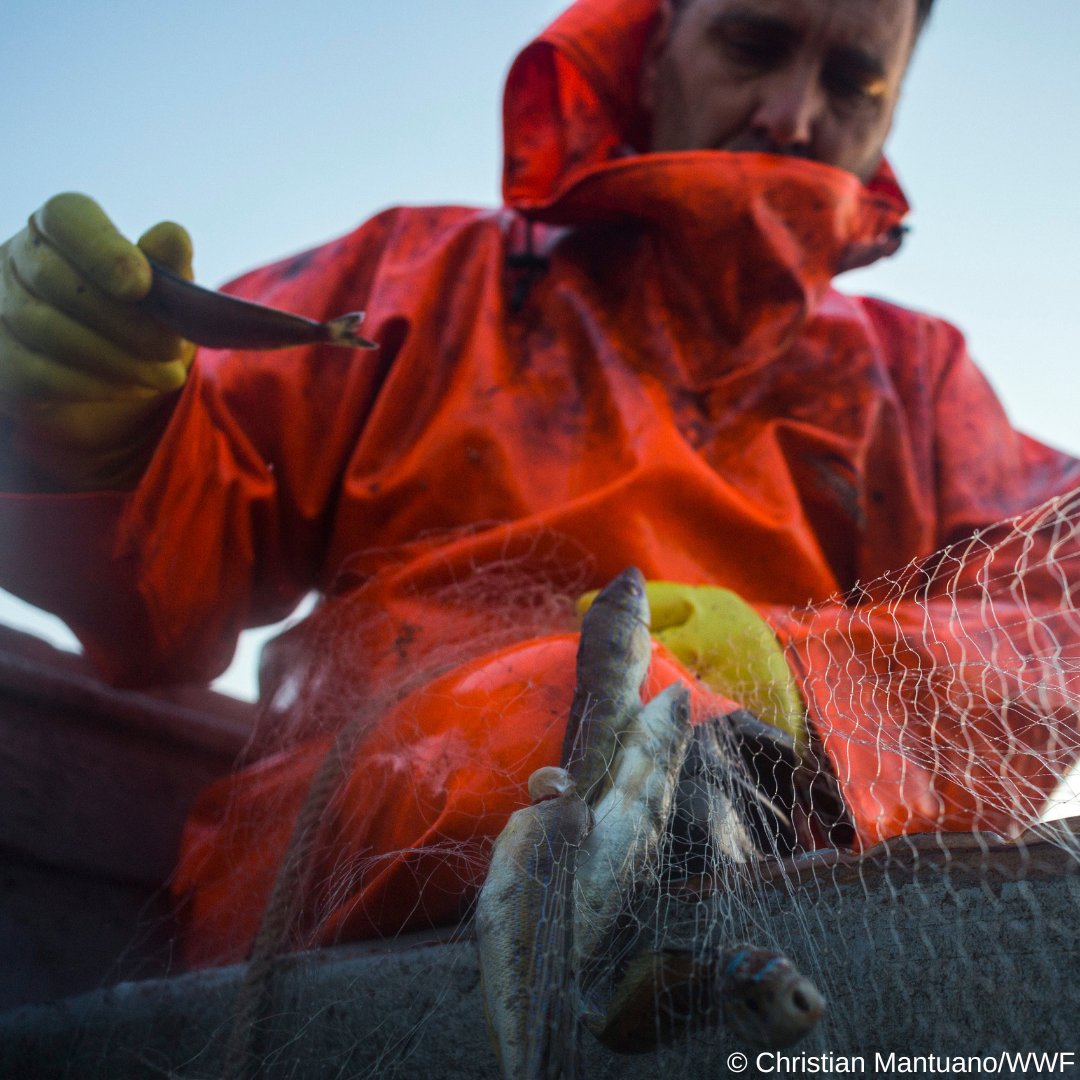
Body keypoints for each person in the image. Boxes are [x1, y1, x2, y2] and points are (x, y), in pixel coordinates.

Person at [2, 0, 1079, 967]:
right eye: (753, 44)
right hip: (345, 873)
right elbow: (166, 613)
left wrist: (811, 686)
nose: (794, 114)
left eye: (856, 81)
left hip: (784, 904)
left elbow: (1059, 606)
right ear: (654, 47)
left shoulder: (921, 380)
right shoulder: (412, 276)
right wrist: (93, 442)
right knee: (560, 730)